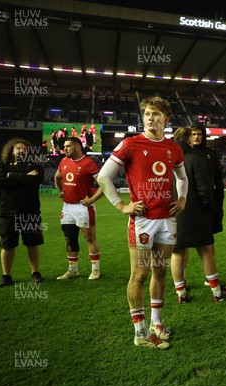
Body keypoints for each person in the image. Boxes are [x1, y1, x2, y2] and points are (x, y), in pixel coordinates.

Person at [97, 96, 188, 349]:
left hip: (167, 220)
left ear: (165, 119)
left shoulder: (173, 148)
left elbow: (182, 177)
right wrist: (122, 205)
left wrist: (181, 199)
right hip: (143, 222)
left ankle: (156, 324)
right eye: (147, 113)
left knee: (160, 271)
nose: (150, 118)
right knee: (139, 274)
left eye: (156, 114)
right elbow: (104, 177)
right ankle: (139, 331)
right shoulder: (131, 144)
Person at [170, 127, 226, 303]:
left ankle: (181, 293)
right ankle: (217, 292)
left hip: (174, 210)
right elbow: (204, 188)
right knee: (205, 250)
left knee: (178, 251)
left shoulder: (167, 158)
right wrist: (210, 207)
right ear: (189, 140)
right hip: (196, 210)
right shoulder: (195, 158)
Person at [0, 138, 45, 287]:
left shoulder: (35, 165)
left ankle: (35, 273)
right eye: (18, 149)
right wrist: (26, 179)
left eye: (24, 149)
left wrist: (12, 176)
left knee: (32, 244)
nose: (21, 151)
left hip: (30, 212)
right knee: (7, 245)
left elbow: (36, 182)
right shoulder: (0, 165)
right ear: (11, 151)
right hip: (7, 213)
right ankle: (6, 276)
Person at [54, 137, 104, 280]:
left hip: (83, 207)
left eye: (68, 146)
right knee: (69, 238)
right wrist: (60, 191)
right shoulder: (64, 161)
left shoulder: (89, 163)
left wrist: (92, 200)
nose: (64, 149)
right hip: (67, 207)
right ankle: (73, 270)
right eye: (64, 146)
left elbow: (104, 184)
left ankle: (95, 270)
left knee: (89, 238)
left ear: (77, 147)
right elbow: (57, 178)